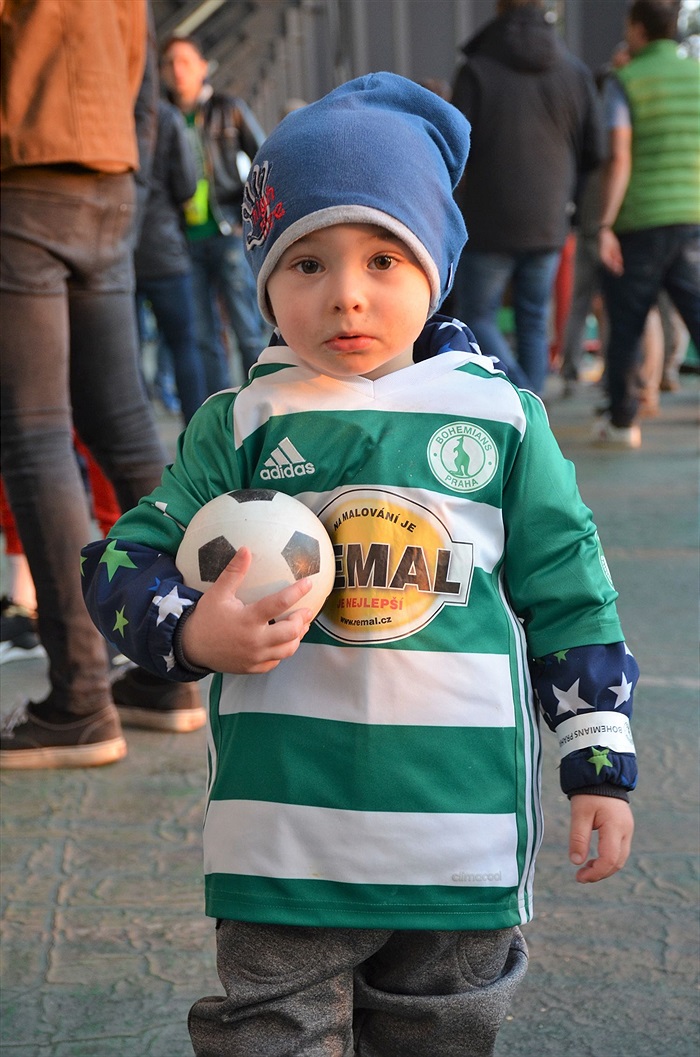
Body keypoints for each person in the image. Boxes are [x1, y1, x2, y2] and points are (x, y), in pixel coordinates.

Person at [81, 74, 637, 1056]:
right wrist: (191, 630)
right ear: (261, 276)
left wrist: (595, 759)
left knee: (440, 1037)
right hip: (280, 845)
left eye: (384, 256)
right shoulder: (242, 422)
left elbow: (569, 588)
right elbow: (119, 559)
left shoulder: (498, 419)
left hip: (455, 845)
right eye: (305, 261)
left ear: (436, 268)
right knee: (264, 1038)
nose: (345, 290)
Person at [0, 0, 205, 770]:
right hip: (110, 180)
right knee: (122, 423)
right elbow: (146, 86)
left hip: (22, 172)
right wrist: (132, 177)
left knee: (36, 437)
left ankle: (81, 697)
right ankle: (173, 666)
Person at [450, 0, 604, 394]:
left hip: (487, 223)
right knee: (533, 319)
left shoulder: (476, 70)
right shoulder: (575, 72)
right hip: (550, 221)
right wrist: (570, 205)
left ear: (499, 7)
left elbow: (454, 146)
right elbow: (596, 151)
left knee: (476, 316)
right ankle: (532, 408)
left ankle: (521, 398)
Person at [595, 0, 700, 446]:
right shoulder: (696, 75)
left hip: (641, 221)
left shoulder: (626, 81)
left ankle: (623, 422)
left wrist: (604, 223)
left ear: (636, 28)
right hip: (693, 215)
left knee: (628, 322)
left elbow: (619, 155)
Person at [160, 35, 268, 393]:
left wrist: (249, 219)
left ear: (203, 67)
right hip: (183, 240)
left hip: (228, 233)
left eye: (185, 62)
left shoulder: (228, 108)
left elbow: (266, 160)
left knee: (247, 329)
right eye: (169, 63)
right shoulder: (162, 118)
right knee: (203, 337)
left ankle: (260, 407)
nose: (177, 71)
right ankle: (221, 415)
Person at [134, 98, 207, 424]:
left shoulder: (104, 109)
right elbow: (188, 184)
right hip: (164, 251)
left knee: (127, 354)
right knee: (184, 346)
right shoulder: (164, 114)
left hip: (116, 252)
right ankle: (195, 438)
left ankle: (139, 432)